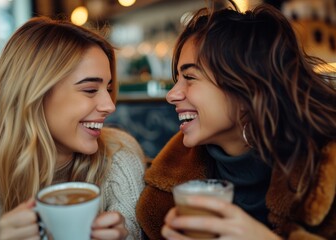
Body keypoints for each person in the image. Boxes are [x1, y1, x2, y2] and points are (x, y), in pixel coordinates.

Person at [136, 1, 336, 240]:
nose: (172, 95)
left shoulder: (324, 171)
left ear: (247, 88)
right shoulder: (166, 188)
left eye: (189, 77)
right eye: (176, 78)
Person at [0, 17, 145, 240]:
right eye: (90, 89)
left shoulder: (120, 156)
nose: (109, 106)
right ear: (34, 93)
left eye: (109, 88)